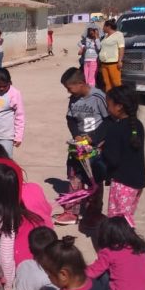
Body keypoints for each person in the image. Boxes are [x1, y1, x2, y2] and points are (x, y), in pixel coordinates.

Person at [54, 68, 109, 226]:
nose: (68, 91)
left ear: (80, 83)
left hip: (94, 147)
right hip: (77, 146)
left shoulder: (99, 97)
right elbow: (70, 119)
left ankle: (94, 213)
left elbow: (108, 121)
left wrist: (93, 138)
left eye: (69, 87)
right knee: (74, 178)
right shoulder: (73, 99)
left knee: (94, 180)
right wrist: (76, 135)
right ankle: (71, 212)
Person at [103, 85, 145, 218]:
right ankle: (126, 237)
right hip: (138, 181)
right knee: (127, 216)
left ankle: (121, 239)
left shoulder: (115, 129)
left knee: (117, 221)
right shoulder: (137, 125)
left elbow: (113, 159)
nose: (107, 108)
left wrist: (102, 151)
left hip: (123, 183)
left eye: (108, 104)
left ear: (119, 106)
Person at [99, 19, 124, 91]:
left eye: (104, 26)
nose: (103, 28)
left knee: (116, 83)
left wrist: (120, 61)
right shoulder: (105, 36)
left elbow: (121, 48)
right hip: (104, 64)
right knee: (107, 83)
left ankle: (120, 99)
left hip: (113, 63)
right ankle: (110, 99)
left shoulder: (118, 35)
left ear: (108, 27)